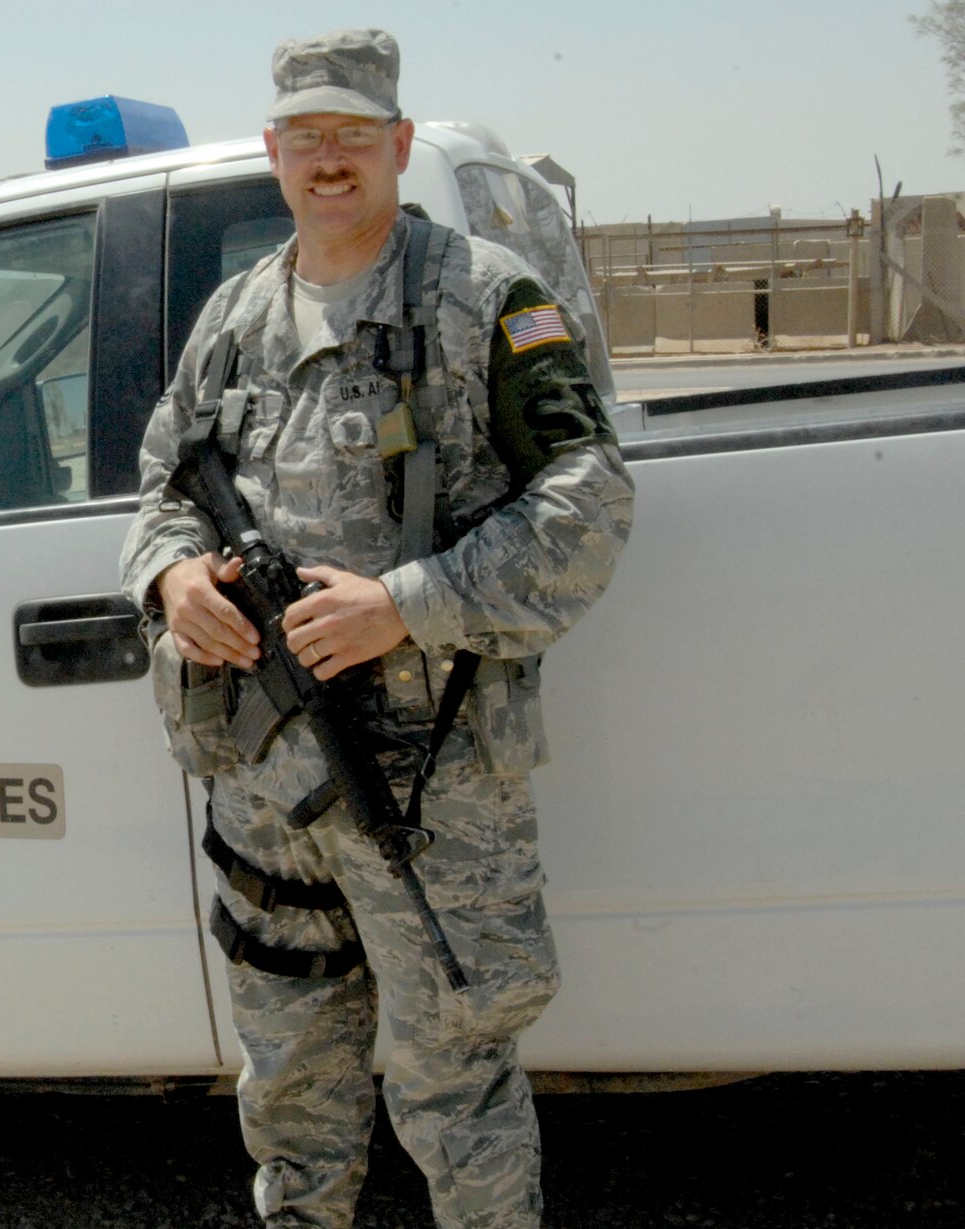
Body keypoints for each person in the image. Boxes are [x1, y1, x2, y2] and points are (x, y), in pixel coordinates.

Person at [120, 28, 634, 1229]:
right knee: (289, 1090)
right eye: (305, 136)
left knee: (456, 1091)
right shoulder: (234, 317)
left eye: (352, 133)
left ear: (397, 143)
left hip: (428, 785)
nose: (328, 159)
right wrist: (171, 579)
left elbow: (588, 502)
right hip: (266, 787)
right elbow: (160, 485)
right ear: (272, 152)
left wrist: (404, 603)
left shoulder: (484, 297)